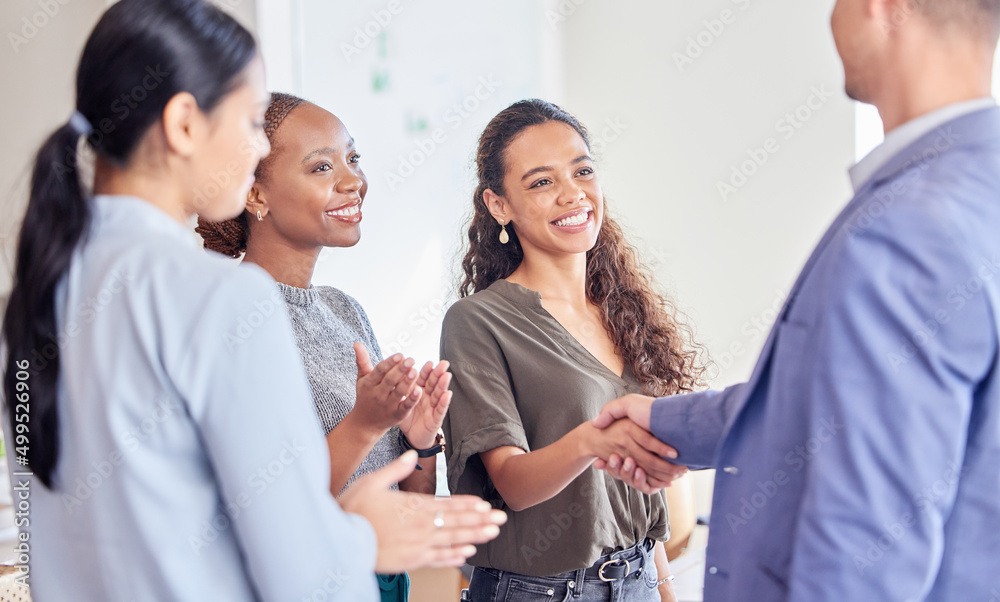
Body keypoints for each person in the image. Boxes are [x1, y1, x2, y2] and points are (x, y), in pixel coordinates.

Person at [0, 1, 504, 600]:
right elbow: (297, 573)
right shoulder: (223, 299)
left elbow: (41, 536)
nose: (253, 149)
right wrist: (360, 539)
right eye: (248, 124)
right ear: (185, 123)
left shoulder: (35, 298)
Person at [593, 0, 1000, 599]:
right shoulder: (973, 190)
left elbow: (864, 553)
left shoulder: (908, 228)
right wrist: (670, 424)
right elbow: (834, 404)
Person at [442, 99, 703, 602]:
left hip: (637, 580)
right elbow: (514, 484)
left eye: (582, 170)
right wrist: (590, 441)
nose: (572, 194)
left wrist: (665, 589)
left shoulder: (621, 311)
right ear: (499, 205)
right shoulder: (478, 322)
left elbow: (635, 500)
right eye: (541, 182)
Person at [196, 92, 452, 601]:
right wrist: (365, 423)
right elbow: (269, 507)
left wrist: (420, 439)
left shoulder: (344, 310)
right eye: (321, 167)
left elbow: (407, 499)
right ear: (256, 196)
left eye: (353, 159)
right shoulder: (233, 319)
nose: (353, 180)